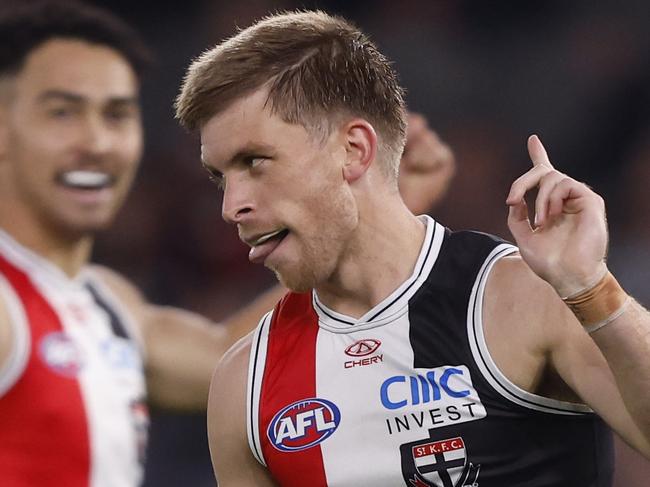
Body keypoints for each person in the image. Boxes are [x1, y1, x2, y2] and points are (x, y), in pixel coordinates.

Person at [175, 10, 650, 487]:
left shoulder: (520, 298)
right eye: (220, 178)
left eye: (254, 161)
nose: (231, 206)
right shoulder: (245, 385)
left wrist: (593, 289)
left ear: (354, 150)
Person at [0, 3, 454, 486]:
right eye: (62, 113)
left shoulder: (108, 307)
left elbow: (240, 356)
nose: (97, 142)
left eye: (116, 116)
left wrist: (361, 217)